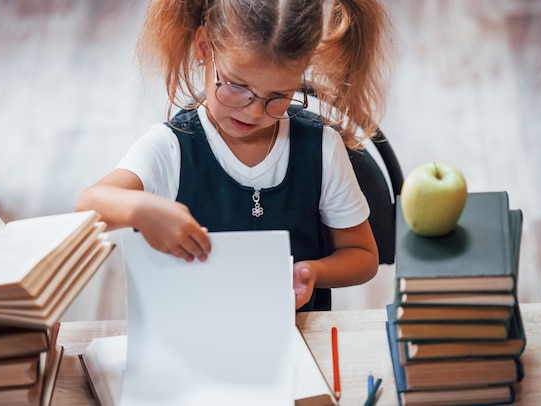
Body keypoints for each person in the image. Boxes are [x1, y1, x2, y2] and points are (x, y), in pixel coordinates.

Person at [75, 0, 394, 311]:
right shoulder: (170, 148)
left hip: (297, 341)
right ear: (203, 47)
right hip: (186, 345)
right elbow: (89, 205)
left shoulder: (322, 148)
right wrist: (140, 209)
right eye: (237, 86)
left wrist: (311, 273)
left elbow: (362, 257)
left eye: (278, 95)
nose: (254, 111)